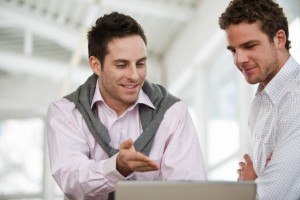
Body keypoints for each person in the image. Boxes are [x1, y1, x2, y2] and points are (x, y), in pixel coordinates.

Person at [47, 11, 207, 200]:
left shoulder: (172, 112)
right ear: (96, 65)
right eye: (122, 65)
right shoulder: (66, 112)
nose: (134, 75)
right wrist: (116, 167)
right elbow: (72, 180)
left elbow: (188, 191)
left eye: (140, 64)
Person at [219, 0, 300, 199]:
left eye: (249, 46)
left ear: (279, 39)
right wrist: (255, 181)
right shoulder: (260, 102)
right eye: (233, 50)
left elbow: (271, 195)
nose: (239, 59)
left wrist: (251, 183)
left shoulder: (296, 98)